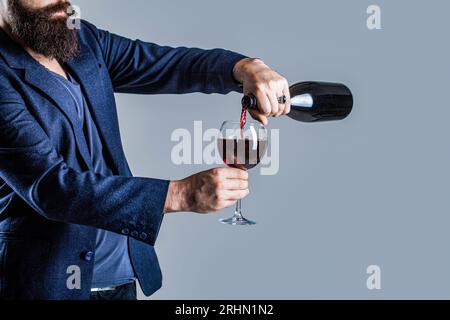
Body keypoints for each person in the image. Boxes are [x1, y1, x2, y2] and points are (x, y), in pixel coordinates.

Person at [0, 0, 291, 300]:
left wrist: (243, 68)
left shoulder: (82, 39)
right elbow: (52, 188)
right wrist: (179, 194)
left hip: (123, 281)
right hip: (48, 287)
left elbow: (165, 65)